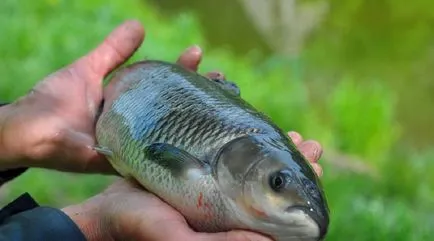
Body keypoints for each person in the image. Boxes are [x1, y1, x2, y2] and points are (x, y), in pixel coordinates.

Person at [0, 20, 324, 241]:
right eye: (276, 182)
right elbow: (158, 154)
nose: (280, 190)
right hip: (132, 91)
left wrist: (9, 130)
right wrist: (96, 224)